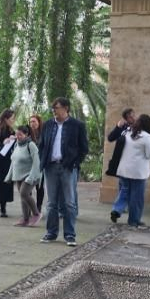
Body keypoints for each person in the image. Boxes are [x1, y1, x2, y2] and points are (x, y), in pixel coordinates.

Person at [37, 97, 89, 245]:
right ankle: (51, 233)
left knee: (69, 203)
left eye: (57, 107)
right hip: (51, 167)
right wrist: (43, 160)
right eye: (53, 108)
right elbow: (42, 145)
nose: (54, 110)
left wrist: (75, 163)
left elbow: (84, 148)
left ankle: (70, 235)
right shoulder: (48, 125)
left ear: (66, 108)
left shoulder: (77, 125)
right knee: (51, 203)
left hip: (68, 168)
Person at [115, 114, 150, 230]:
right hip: (138, 172)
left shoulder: (128, 132)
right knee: (136, 198)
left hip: (124, 169)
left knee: (125, 193)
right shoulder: (147, 137)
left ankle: (117, 210)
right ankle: (134, 220)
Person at [6, 123, 42, 226]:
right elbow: (14, 161)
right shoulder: (16, 145)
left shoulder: (31, 145)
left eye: (20, 134)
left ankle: (36, 214)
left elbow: (36, 162)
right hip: (18, 175)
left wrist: (32, 177)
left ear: (26, 135)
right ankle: (25, 219)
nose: (17, 136)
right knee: (23, 197)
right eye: (16, 134)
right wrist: (9, 175)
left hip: (30, 174)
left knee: (24, 193)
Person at [105, 107, 135, 219]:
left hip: (132, 161)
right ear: (126, 119)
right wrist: (118, 127)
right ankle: (120, 207)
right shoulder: (123, 128)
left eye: (133, 115)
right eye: (130, 117)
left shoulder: (138, 128)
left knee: (124, 186)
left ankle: (120, 208)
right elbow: (110, 138)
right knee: (124, 185)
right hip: (120, 160)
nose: (133, 118)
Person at [27, 113, 47, 213]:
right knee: (28, 186)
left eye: (34, 121)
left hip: (40, 164)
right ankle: (29, 207)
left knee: (39, 187)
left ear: (39, 122)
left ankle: (38, 207)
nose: (32, 123)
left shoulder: (44, 134)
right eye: (30, 122)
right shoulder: (27, 134)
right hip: (28, 164)